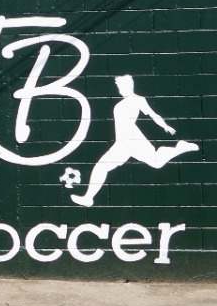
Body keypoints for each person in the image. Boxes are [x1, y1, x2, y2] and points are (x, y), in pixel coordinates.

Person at [71, 75, 198, 207]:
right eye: (118, 86)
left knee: (155, 163)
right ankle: (88, 198)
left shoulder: (138, 100)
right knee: (103, 166)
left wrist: (165, 125)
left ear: (128, 85)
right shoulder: (121, 103)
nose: (119, 88)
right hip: (123, 142)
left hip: (132, 139)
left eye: (120, 85)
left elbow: (153, 114)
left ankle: (179, 148)